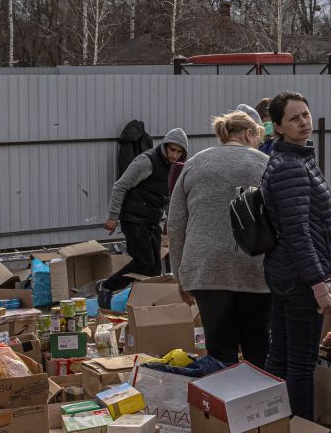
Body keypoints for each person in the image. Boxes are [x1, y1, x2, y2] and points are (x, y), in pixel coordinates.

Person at [260, 91, 331, 422]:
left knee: (279, 357)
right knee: (300, 362)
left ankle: (272, 431)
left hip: (289, 274)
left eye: (305, 115)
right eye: (294, 118)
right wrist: (317, 283)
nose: (304, 123)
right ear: (277, 127)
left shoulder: (296, 159)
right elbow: (296, 232)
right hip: (297, 280)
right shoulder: (290, 167)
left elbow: (311, 224)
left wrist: (327, 268)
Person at [168, 110, 270, 366]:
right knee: (258, 347)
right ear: (249, 133)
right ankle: (260, 401)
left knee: (219, 349)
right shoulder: (264, 163)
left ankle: (222, 402)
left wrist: (180, 274)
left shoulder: (194, 164)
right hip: (254, 269)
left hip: (206, 270)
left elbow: (176, 223)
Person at [105, 127, 187, 277]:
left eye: (179, 152)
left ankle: (140, 298)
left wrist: (171, 222)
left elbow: (169, 196)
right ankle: (107, 286)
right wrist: (113, 216)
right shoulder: (146, 162)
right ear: (165, 146)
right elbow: (120, 186)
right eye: (172, 150)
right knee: (144, 262)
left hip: (152, 221)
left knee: (155, 269)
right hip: (133, 219)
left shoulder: (174, 169)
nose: (175, 155)